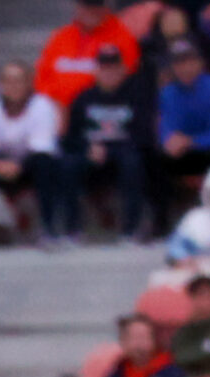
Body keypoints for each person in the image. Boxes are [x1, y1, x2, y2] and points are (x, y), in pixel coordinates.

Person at [62, 44, 150, 241]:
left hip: (124, 151)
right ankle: (72, 229)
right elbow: (71, 137)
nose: (109, 72)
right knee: (68, 165)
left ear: (123, 69)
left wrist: (112, 149)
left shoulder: (136, 97)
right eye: (104, 67)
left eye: (113, 67)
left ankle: (130, 229)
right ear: (96, 70)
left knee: (133, 162)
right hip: (90, 152)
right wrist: (88, 148)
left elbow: (143, 135)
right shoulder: (83, 98)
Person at [0, 60, 69, 245]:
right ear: (0, 85)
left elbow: (42, 148)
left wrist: (18, 165)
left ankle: (48, 230)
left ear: (29, 83)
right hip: (3, 165)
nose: (13, 86)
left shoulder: (42, 106)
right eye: (8, 81)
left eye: (19, 80)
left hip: (34, 164)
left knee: (45, 166)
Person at [153, 39, 210, 229]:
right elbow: (167, 128)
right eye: (179, 63)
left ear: (200, 63)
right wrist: (169, 142)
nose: (185, 68)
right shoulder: (168, 93)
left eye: (190, 62)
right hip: (185, 150)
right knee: (156, 159)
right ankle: (161, 224)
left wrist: (190, 141)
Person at [36, 0, 141, 113]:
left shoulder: (122, 38)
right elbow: (42, 80)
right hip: (56, 111)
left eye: (96, 6)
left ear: (106, 7)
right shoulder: (60, 37)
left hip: (99, 112)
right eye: (87, 6)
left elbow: (127, 82)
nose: (91, 11)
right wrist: (55, 104)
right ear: (78, 7)